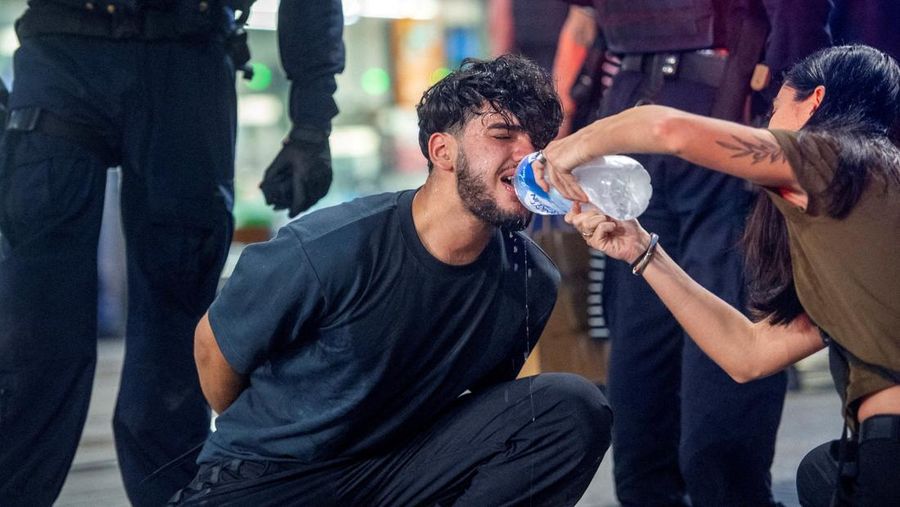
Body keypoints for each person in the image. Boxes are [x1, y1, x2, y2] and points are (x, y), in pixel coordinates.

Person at [168, 54, 613, 506]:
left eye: (538, 141)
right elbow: (213, 349)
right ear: (442, 151)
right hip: (274, 476)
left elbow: (486, 414)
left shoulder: (530, 280)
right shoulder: (333, 247)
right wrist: (275, 432)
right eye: (503, 134)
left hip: (395, 476)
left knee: (567, 407)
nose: (527, 156)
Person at [0, 1, 344, 505]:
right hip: (68, 53)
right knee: (34, 337)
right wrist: (310, 122)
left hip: (185, 55)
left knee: (173, 340)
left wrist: (313, 123)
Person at [536, 44, 900, 506]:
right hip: (874, 452)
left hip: (891, 453)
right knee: (820, 475)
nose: (766, 125)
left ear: (815, 101)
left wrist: (566, 148)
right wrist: (643, 251)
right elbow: (748, 354)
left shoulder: (838, 161)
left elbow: (663, 127)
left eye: (774, 108)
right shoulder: (863, 227)